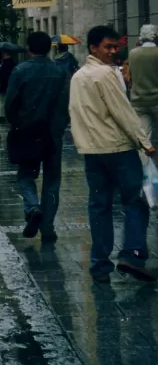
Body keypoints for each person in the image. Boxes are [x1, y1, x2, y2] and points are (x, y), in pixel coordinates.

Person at [69, 25, 155, 283]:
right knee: (136, 201)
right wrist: (145, 143)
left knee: (99, 206)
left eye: (115, 46)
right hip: (118, 149)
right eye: (108, 46)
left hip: (93, 152)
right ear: (93, 48)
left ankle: (99, 265)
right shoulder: (105, 74)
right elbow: (123, 112)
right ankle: (133, 254)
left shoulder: (78, 76)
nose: (113, 51)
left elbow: (76, 114)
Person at [5, 32, 69, 242]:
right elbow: (65, 103)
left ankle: (33, 207)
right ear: (49, 48)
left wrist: (16, 123)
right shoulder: (59, 72)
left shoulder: (20, 71)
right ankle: (48, 227)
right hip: (52, 133)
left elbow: (10, 103)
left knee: (25, 174)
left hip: (27, 131)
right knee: (52, 180)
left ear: (29, 48)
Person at [129, 24, 158, 143]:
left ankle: (144, 161)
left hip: (138, 101)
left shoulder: (132, 53)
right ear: (155, 35)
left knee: (144, 138)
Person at [0, 51, 17, 123]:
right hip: (7, 85)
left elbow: (3, 74)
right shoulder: (12, 63)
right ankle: (3, 115)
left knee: (3, 101)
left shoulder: (6, 64)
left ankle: (3, 116)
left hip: (5, 85)